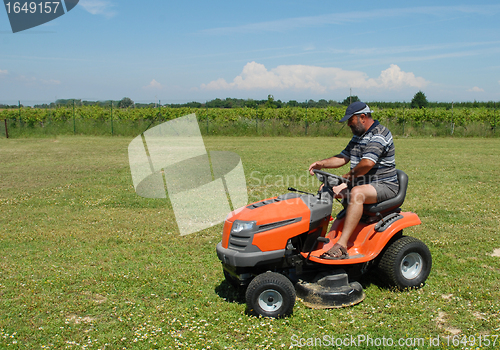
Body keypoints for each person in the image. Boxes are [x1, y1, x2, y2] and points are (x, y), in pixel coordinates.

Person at [308, 101, 398, 259]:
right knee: (325, 188)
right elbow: (343, 157)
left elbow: (367, 163)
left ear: (363, 117)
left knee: (357, 193)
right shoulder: (359, 136)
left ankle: (341, 246)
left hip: (384, 185)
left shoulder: (379, 134)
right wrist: (322, 164)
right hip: (363, 183)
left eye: (351, 120)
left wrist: (346, 179)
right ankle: (316, 238)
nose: (349, 124)